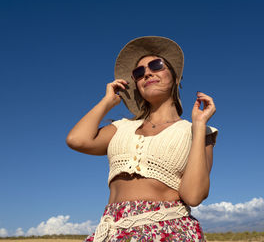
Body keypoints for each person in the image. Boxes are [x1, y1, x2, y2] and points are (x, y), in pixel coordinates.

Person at [66, 36, 218, 242]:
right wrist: (107, 102)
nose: (147, 73)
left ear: (175, 77)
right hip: (114, 230)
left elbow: (193, 196)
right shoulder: (120, 127)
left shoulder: (197, 130)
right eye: (139, 73)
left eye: (156, 65)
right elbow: (77, 139)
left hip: (169, 231)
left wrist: (199, 127)